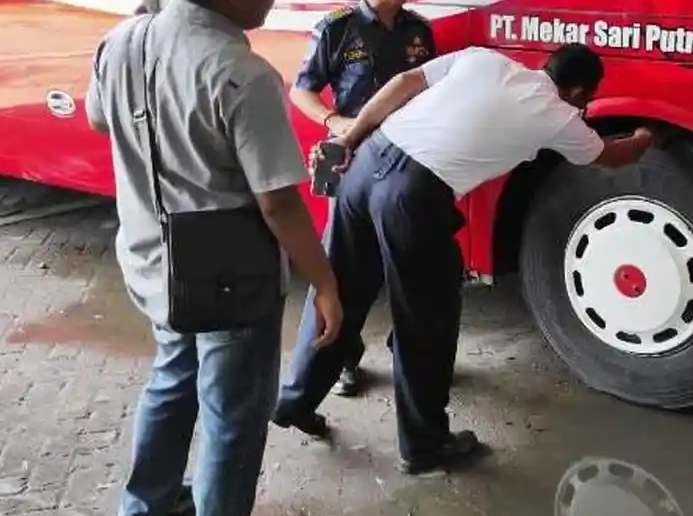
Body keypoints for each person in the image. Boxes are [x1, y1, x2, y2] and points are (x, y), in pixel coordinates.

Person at [85, 0, 343, 516]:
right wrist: (324, 283)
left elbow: (98, 119)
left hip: (153, 260)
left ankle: (142, 510)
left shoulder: (122, 41)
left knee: (173, 376)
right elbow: (278, 204)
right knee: (234, 413)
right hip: (228, 280)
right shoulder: (243, 74)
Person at [273, 44, 660, 474]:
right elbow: (611, 155)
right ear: (579, 93)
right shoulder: (560, 115)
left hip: (368, 158)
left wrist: (349, 138)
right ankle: (424, 446)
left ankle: (296, 400)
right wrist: (646, 136)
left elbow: (403, 83)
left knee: (338, 290)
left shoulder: (483, 59)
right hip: (411, 196)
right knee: (426, 319)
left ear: (544, 65)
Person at [288, 0, 437, 398]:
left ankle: (409, 355)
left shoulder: (419, 31)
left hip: (407, 163)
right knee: (345, 269)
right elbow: (302, 91)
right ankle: (342, 360)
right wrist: (335, 123)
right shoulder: (338, 28)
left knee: (412, 264)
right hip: (352, 160)